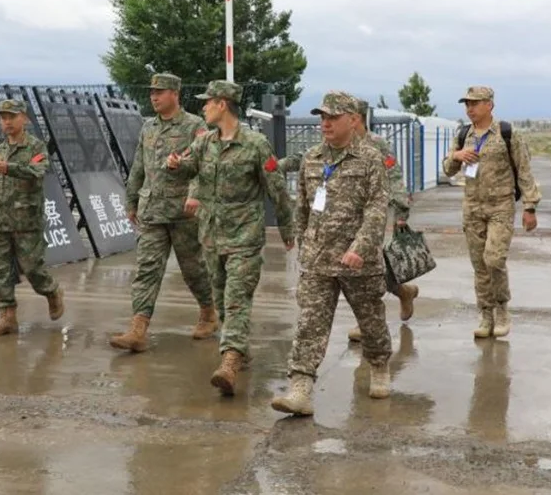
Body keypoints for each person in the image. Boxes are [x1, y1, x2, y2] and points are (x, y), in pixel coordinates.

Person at [166, 80, 295, 396]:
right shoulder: (205, 142)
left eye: (207, 102)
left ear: (222, 104)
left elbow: (276, 189)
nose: (204, 108)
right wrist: (175, 165)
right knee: (223, 299)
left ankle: (229, 361)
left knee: (237, 298)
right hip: (211, 236)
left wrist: (288, 229)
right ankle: (241, 350)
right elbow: (190, 169)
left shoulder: (255, 145)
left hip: (244, 237)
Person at [271, 91, 392, 416]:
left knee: (371, 322)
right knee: (310, 324)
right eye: (322, 117)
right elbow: (304, 207)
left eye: (333, 117)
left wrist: (360, 248)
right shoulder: (311, 158)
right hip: (318, 260)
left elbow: (377, 209)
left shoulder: (370, 159)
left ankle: (379, 365)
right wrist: (303, 244)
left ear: (352, 120)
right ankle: (300, 388)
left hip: (358, 263)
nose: (325, 123)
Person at [111, 73, 216, 352]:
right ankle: (138, 329)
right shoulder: (148, 128)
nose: (154, 97)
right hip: (152, 213)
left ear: (175, 94)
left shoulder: (195, 126)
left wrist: (195, 197)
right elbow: (138, 167)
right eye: (151, 92)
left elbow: (203, 167)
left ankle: (208, 311)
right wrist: (131, 201)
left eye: (160, 92)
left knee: (193, 269)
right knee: (147, 269)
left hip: (184, 214)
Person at [442, 86, 540, 339]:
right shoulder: (464, 134)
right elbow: (448, 170)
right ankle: (486, 315)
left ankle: (502, 309)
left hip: (500, 207)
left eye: (475, 103)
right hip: (472, 208)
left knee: (494, 259)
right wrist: (456, 155)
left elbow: (524, 170)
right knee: (479, 266)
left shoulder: (507, 134)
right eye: (467, 104)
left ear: (489, 105)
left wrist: (530, 207)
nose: (470, 108)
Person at [0, 98, 64, 337]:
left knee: (32, 270)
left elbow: (37, 172)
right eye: (3, 118)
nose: (6, 121)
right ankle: (7, 316)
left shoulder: (36, 147)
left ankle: (52, 292)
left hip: (26, 221)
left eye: (11, 116)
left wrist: (10, 168)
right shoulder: (1, 149)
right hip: (1, 221)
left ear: (24, 119)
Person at [347, 99, 419, 342]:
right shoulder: (337, 143)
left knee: (364, 268)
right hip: (345, 216)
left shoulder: (378, 144)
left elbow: (394, 176)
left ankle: (364, 323)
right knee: (363, 269)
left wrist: (400, 214)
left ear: (356, 118)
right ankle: (404, 291)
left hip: (372, 215)